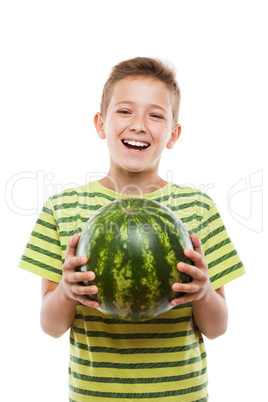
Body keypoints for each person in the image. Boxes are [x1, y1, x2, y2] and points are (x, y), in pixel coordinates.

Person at [19, 57, 245, 401]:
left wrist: (204, 292)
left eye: (156, 115)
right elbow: (50, 327)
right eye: (125, 111)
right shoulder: (63, 208)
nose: (139, 124)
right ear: (100, 124)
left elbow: (218, 327)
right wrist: (66, 289)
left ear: (173, 134)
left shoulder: (198, 209)